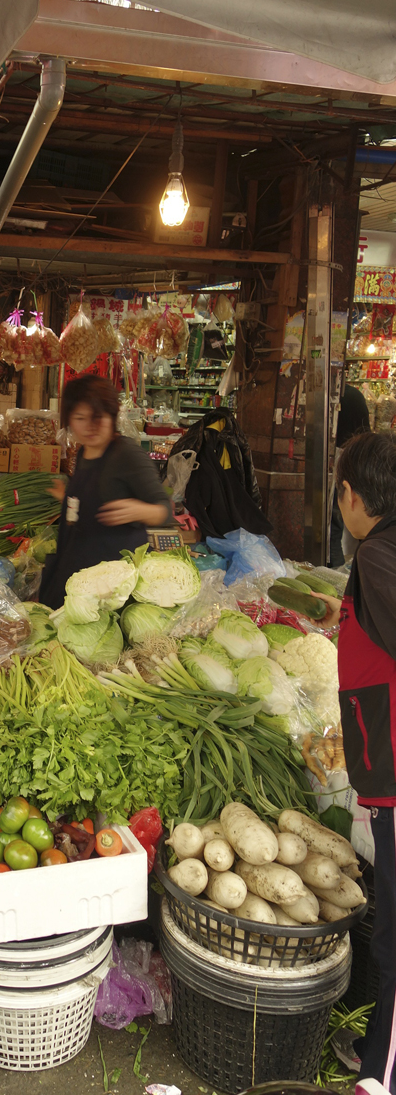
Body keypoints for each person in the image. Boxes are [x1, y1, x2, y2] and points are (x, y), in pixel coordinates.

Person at [308, 432, 396, 1093]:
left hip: (394, 773)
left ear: (349, 495)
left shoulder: (378, 557)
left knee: (392, 924)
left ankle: (378, 1072)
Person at [38, 376, 171, 609]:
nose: (89, 427)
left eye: (98, 418)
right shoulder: (82, 453)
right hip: (78, 573)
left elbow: (165, 511)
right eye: (80, 418)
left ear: (112, 416)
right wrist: (67, 497)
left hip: (114, 587)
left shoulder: (127, 454)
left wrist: (139, 510)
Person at [330, 381, 371, 567]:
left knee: (335, 525)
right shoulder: (356, 395)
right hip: (358, 460)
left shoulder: (334, 398)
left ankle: (337, 567)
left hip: (340, 461)